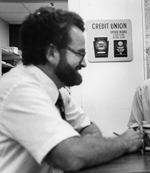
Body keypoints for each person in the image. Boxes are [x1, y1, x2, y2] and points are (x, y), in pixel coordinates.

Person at [0, 7, 142, 173]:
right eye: (80, 53)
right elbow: (71, 156)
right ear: (52, 53)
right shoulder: (20, 88)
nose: (84, 63)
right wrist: (124, 142)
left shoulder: (58, 91)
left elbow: (87, 128)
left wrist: (83, 147)